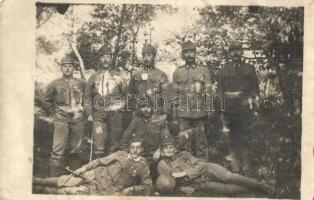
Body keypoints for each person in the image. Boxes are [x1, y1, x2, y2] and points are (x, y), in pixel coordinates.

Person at [157, 136, 274, 196]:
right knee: (229, 190)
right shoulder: (162, 165)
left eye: (171, 147)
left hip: (208, 170)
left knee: (229, 177)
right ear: (162, 151)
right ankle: (257, 186)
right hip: (200, 184)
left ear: (175, 148)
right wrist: (183, 188)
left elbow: (201, 165)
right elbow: (167, 184)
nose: (169, 150)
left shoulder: (184, 154)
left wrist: (185, 173)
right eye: (166, 148)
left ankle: (262, 186)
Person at [33, 140, 152, 195]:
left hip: (104, 189)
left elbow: (147, 186)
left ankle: (39, 190)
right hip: (94, 174)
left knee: (71, 192)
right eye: (133, 147)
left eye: (138, 148)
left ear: (142, 149)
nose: (135, 151)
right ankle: (37, 181)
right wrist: (83, 169)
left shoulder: (143, 166)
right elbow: (98, 161)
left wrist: (130, 190)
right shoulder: (120, 154)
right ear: (129, 148)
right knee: (67, 180)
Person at [216, 42, 260, 174]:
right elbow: (219, 91)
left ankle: (247, 167)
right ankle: (235, 167)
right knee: (231, 138)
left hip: (244, 109)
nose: (235, 53)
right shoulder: (224, 70)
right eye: (232, 51)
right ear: (229, 53)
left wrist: (255, 106)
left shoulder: (249, 69)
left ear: (241, 52)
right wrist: (221, 111)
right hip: (228, 110)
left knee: (245, 137)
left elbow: (255, 89)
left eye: (238, 50)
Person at [44, 55, 87, 176]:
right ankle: (54, 178)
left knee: (76, 148)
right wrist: (54, 115)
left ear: (74, 68)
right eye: (65, 66)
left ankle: (74, 176)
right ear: (61, 68)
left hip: (78, 120)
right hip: (61, 120)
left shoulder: (82, 83)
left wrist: (85, 114)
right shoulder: (54, 84)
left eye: (70, 66)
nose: (67, 69)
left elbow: (87, 99)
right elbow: (46, 100)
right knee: (57, 150)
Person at [84, 46, 128, 158]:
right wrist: (89, 113)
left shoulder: (118, 77)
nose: (105, 59)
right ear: (99, 59)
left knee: (114, 143)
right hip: (98, 114)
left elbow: (127, 96)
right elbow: (87, 97)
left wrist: (120, 107)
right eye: (103, 57)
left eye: (108, 57)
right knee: (99, 144)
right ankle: (99, 171)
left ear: (111, 59)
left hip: (115, 114)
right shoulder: (93, 77)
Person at [171, 41, 212, 160]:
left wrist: (209, 110)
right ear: (183, 55)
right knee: (184, 143)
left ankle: (203, 170)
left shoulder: (204, 70)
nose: (189, 55)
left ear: (195, 53)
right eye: (186, 52)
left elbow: (209, 92)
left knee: (201, 143)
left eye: (191, 52)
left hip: (200, 112)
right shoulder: (178, 72)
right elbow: (174, 94)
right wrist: (174, 114)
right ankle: (186, 169)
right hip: (183, 113)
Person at [119, 95, 171, 180]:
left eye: (148, 106)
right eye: (143, 107)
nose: (146, 109)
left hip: (155, 156)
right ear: (139, 108)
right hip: (139, 156)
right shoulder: (135, 122)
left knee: (164, 173)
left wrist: (160, 151)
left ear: (152, 107)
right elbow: (123, 142)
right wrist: (130, 153)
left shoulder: (159, 121)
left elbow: (167, 140)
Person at [128, 44, 170, 114]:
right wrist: (132, 109)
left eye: (149, 55)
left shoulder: (161, 74)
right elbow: (130, 93)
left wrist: (165, 113)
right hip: (139, 111)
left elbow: (166, 95)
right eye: (144, 56)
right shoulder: (136, 74)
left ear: (154, 57)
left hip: (155, 112)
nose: (146, 58)